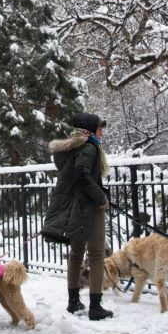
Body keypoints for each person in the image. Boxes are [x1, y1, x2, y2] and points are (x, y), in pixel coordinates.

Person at [41, 112, 113, 321]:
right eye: (99, 129)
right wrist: (100, 197)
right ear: (90, 130)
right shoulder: (89, 148)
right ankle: (96, 307)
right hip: (88, 208)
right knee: (97, 255)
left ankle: (73, 302)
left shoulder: (70, 149)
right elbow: (82, 175)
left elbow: (75, 176)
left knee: (76, 253)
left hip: (75, 207)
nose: (101, 133)